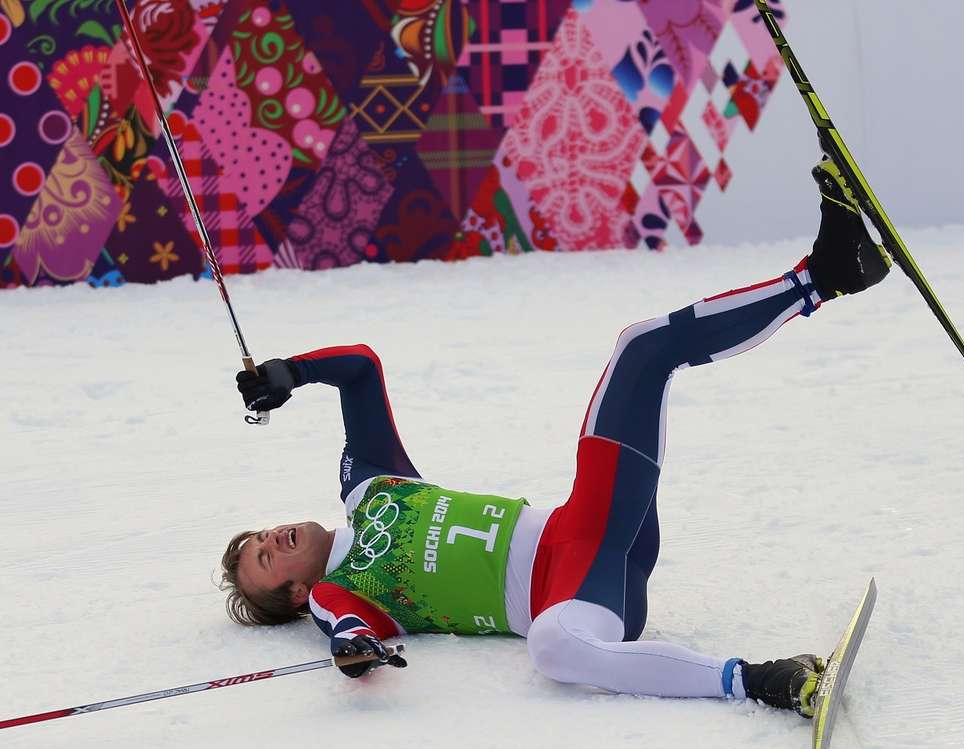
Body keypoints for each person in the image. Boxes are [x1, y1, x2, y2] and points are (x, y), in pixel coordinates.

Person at [220, 157, 891, 717]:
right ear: (293, 594)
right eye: (262, 561)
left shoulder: (366, 486)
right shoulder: (340, 592)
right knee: (551, 649)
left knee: (639, 348)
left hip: (594, 520)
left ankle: (827, 272)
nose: (271, 538)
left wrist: (290, 372)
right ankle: (764, 680)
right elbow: (349, 635)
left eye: (260, 535)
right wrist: (354, 654)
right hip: (580, 596)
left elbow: (361, 369)